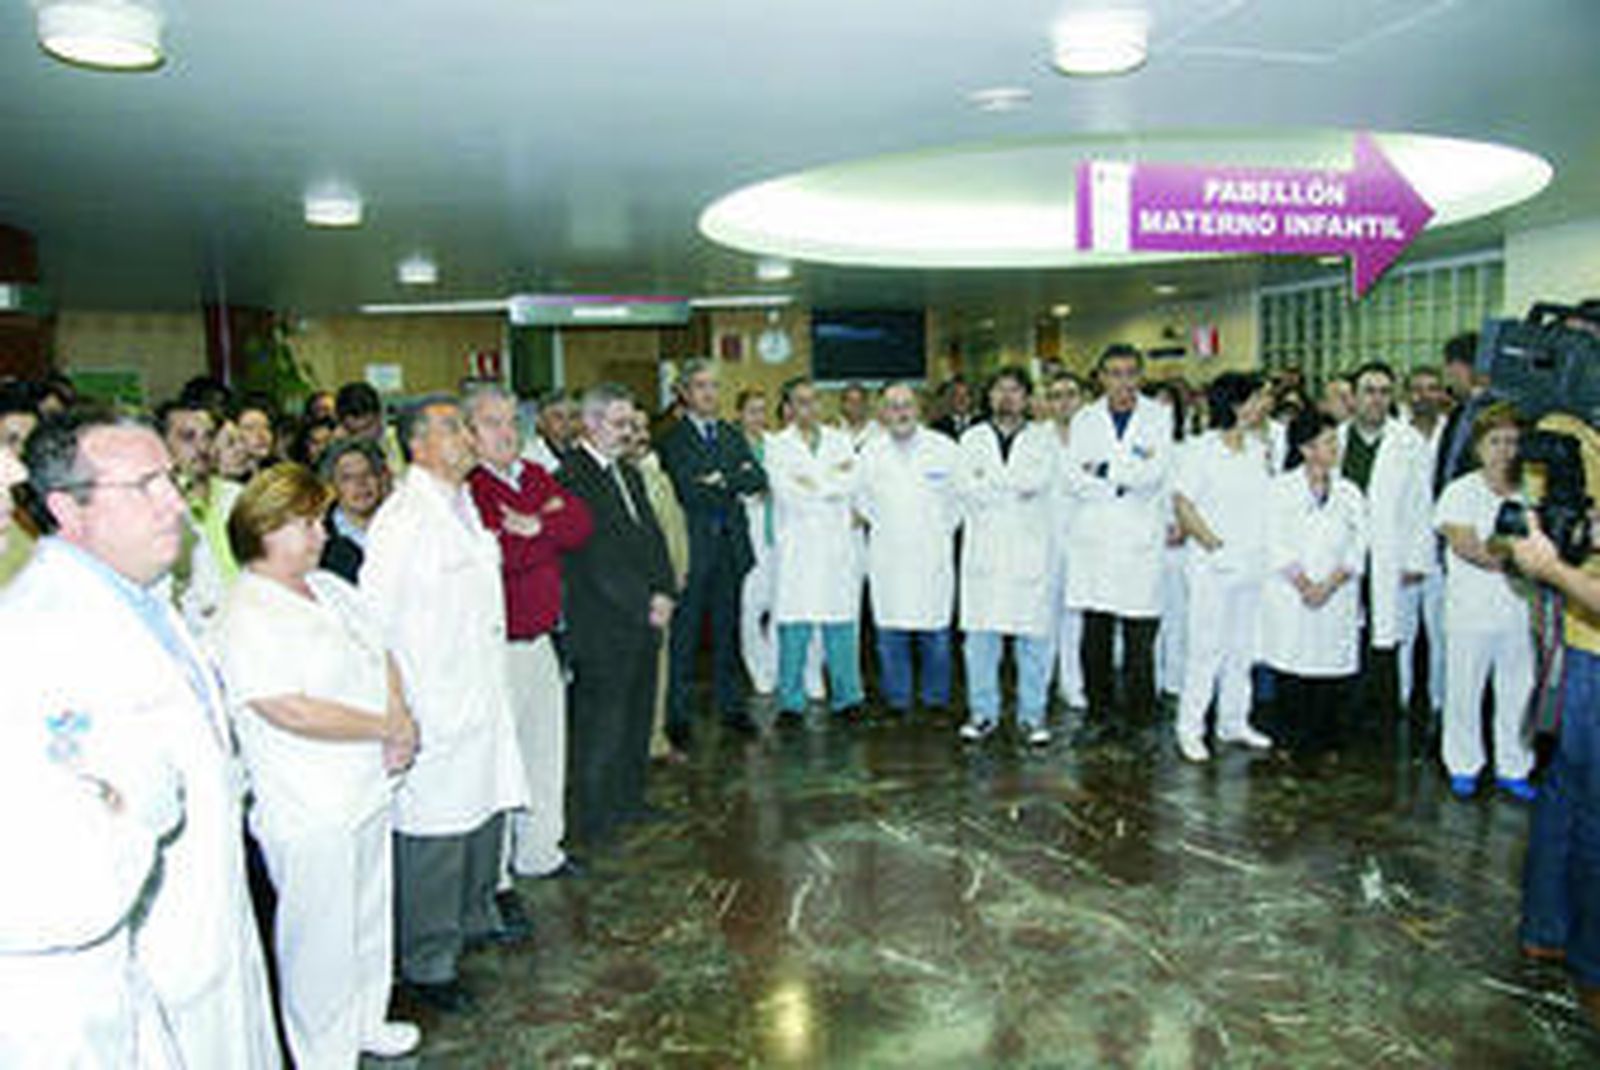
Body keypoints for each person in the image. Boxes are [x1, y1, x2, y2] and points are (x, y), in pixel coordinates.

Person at [4, 410, 279, 1066]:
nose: (175, 505)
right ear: (68, 509)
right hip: (145, 952)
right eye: (145, 487)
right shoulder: (35, 635)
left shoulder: (152, 598)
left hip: (215, 916)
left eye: (173, 481)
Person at [215, 463, 422, 1066]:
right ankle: (322, 1049)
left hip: (367, 783)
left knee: (366, 914)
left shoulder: (329, 588)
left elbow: (379, 649)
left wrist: (399, 714)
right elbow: (288, 709)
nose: (321, 533)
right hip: (309, 801)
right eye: (306, 523)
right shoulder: (246, 612)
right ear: (265, 529)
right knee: (319, 936)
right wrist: (385, 727)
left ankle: (366, 1020)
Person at [361, 394, 530, 1013]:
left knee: (482, 817)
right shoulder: (403, 519)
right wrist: (395, 710)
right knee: (435, 837)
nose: (466, 438)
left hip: (480, 697)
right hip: (433, 706)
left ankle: (470, 926)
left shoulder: (464, 507)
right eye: (452, 429)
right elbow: (372, 628)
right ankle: (427, 965)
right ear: (418, 446)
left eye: (465, 427)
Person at [464, 384, 593, 880]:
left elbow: (580, 524)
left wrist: (535, 527)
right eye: (492, 423)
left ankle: (541, 851)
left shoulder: (534, 474)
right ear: (469, 434)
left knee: (544, 751)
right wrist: (547, 529)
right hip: (497, 646)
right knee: (500, 764)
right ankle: (495, 877)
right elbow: (500, 559)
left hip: (541, 639)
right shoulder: (471, 489)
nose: (507, 432)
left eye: (511, 421)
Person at [556, 384, 676, 844]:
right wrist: (644, 602)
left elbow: (652, 537)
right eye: (619, 423)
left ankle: (630, 801)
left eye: (631, 424)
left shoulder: (628, 473)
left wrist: (664, 588)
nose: (628, 433)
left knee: (636, 717)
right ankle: (596, 817)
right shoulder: (573, 476)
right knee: (601, 725)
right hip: (603, 622)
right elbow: (596, 557)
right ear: (590, 422)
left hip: (644, 618)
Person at [1510, 456, 1600, 1028]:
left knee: (1569, 797)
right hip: (1585, 645)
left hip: (1581, 644)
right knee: (1584, 810)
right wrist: (1559, 569)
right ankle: (1591, 964)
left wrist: (1554, 568)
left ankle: (1548, 931)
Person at [657, 359, 768, 741]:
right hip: (693, 549)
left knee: (728, 632)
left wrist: (722, 478)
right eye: (701, 386)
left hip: (731, 549)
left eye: (715, 386)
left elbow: (757, 477)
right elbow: (689, 490)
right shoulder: (672, 438)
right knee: (684, 637)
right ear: (685, 393)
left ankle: (732, 707)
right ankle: (677, 716)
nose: (710, 394)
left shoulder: (731, 434)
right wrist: (729, 479)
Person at [1065, 344, 1174, 725]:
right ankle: (1099, 710)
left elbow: (1155, 473)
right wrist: (1123, 478)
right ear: (1101, 377)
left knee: (1139, 636)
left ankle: (1140, 713)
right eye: (1114, 373)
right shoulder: (1084, 419)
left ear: (1140, 376)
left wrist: (1105, 470)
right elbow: (1075, 479)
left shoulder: (1159, 416)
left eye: (1130, 373)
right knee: (1095, 634)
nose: (1123, 381)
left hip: (1140, 539)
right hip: (1096, 538)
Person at [1433, 403, 1536, 800]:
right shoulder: (1460, 491)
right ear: (1478, 447)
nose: (1505, 450)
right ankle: (1463, 765)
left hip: (1518, 611)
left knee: (1518, 690)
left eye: (1512, 441)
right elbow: (1468, 547)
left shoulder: (1529, 492)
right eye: (1496, 441)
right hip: (1471, 613)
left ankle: (1514, 767)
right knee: (1465, 690)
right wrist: (1519, 559)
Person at [1171, 373, 1276, 761]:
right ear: (1235, 404)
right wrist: (1213, 544)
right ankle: (1190, 727)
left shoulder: (1258, 448)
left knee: (1242, 648)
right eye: (1256, 398)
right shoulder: (1201, 450)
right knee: (1205, 648)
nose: (1263, 405)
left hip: (1253, 563)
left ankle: (1233, 721)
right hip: (1212, 564)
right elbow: (1182, 504)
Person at [957, 366, 1059, 743]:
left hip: (1029, 553)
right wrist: (1009, 488)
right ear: (989, 397)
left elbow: (1037, 482)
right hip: (984, 554)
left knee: (1033, 642)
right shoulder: (971, 439)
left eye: (1015, 390)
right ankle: (983, 713)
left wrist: (993, 485)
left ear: (1027, 398)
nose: (1007, 397)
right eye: (1000, 390)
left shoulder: (1043, 441)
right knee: (980, 644)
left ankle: (1033, 716)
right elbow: (967, 487)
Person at [1261, 411, 1368, 756]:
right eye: (1328, 441)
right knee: (1293, 666)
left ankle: (1327, 740)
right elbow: (1273, 541)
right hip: (1293, 592)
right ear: (1305, 448)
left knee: (1330, 668)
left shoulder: (1350, 492)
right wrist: (1305, 584)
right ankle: (1289, 739)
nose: (1335, 447)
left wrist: (1331, 583)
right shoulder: (1280, 489)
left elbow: (1361, 542)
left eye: (1336, 440)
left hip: (1336, 592)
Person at [855, 383, 961, 715]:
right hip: (889, 554)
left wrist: (934, 532)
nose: (900, 412)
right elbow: (862, 501)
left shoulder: (944, 448)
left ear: (920, 409)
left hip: (932, 553)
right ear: (882, 413)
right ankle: (898, 699)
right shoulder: (870, 452)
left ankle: (935, 700)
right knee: (890, 633)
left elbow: (958, 502)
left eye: (907, 405)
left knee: (936, 635)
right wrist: (894, 529)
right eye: (892, 406)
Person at [766, 376, 866, 722]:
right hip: (798, 547)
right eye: (800, 402)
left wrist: (815, 483)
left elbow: (853, 480)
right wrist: (830, 486)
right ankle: (791, 702)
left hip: (836, 546)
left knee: (841, 624)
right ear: (788, 408)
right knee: (794, 627)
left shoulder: (840, 441)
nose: (808, 408)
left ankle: (848, 697)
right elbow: (787, 493)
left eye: (813, 401)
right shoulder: (777, 445)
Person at [1339, 361, 1433, 725]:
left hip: (1390, 555)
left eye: (1383, 392)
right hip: (1346, 555)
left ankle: (1388, 712)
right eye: (1369, 391)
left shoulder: (1409, 442)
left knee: (1390, 635)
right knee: (1347, 632)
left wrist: (1415, 559)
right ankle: (1347, 709)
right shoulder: (1339, 439)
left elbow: (1421, 505)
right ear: (1354, 398)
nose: (1377, 399)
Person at [628, 409, 691, 759]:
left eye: (642, 428)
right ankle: (630, 746)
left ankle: (656, 741)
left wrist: (679, 574)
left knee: (659, 670)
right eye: (629, 428)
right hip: (627, 597)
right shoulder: (611, 481)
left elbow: (676, 530)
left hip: (662, 593)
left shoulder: (658, 477)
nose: (638, 435)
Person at [157, 397, 242, 637]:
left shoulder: (238, 497)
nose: (202, 447)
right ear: (163, 446)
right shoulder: (158, 509)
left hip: (246, 625)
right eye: (188, 437)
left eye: (208, 436)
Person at [1399, 365, 1451, 720]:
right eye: (1417, 389)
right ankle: (1399, 700)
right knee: (1402, 633)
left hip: (1446, 549)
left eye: (1432, 388)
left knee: (1442, 633)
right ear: (1407, 395)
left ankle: (1440, 702)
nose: (1424, 396)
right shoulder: (1396, 436)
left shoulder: (1454, 434)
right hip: (1403, 550)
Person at [1044, 370, 1089, 710]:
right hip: (1044, 537)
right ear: (1047, 402)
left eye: (1071, 394)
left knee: (1075, 614)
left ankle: (1071, 683)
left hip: (1085, 538)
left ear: (1082, 398)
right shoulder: (1035, 439)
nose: (1064, 402)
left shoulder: (1096, 439)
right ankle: (1040, 679)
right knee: (1043, 613)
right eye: (1056, 395)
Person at [735, 389, 779, 695]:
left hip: (778, 536)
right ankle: (756, 668)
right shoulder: (731, 446)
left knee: (780, 606)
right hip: (748, 537)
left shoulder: (778, 445)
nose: (758, 417)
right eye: (751, 411)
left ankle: (774, 665)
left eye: (762, 411)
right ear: (739, 414)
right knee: (750, 607)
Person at [318, 438, 389, 583]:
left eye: (368, 474)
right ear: (332, 486)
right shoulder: (320, 542)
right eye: (348, 478)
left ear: (381, 479)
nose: (361, 484)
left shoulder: (405, 527)